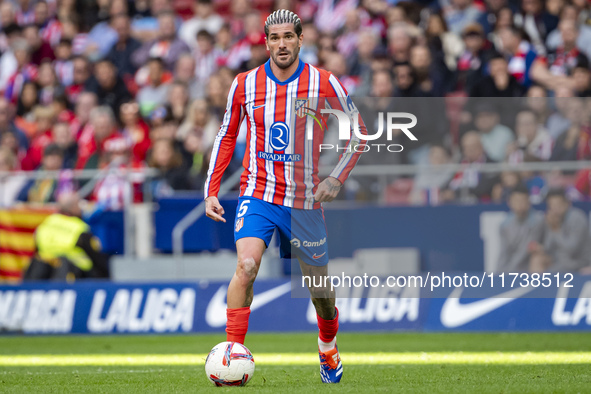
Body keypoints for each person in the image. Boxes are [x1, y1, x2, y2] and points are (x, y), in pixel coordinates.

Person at [204, 9, 367, 384]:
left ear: (300, 40)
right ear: (266, 42)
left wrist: (337, 177)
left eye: (288, 37)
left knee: (320, 290)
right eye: (274, 38)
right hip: (257, 193)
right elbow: (226, 134)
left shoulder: (323, 82)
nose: (281, 44)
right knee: (246, 267)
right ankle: (231, 355)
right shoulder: (244, 83)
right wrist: (211, 190)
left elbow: (358, 133)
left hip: (304, 201)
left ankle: (328, 347)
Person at [24, 192, 110, 281]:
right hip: (75, 276)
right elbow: (98, 260)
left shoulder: (46, 223)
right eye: (79, 205)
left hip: (44, 275)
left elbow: (36, 249)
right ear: (74, 208)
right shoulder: (79, 228)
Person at [529, 188, 591, 272]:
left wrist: (556, 229)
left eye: (559, 205)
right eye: (552, 205)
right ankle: (535, 285)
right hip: (558, 259)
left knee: (552, 270)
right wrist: (541, 248)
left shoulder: (577, 217)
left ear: (567, 204)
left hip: (577, 261)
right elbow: (549, 246)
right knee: (536, 259)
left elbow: (571, 250)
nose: (556, 209)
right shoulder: (550, 218)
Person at [496, 184, 545, 272]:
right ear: (510, 202)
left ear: (529, 202)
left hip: (531, 264)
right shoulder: (504, 225)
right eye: (517, 200)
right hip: (512, 267)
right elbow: (504, 252)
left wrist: (510, 271)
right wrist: (499, 274)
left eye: (523, 200)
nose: (520, 204)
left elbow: (527, 248)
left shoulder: (538, 220)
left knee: (537, 258)